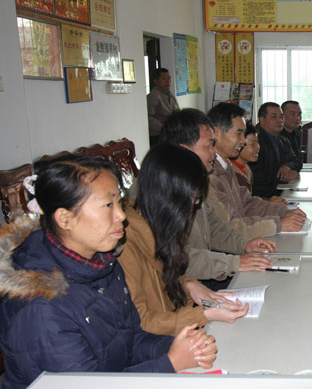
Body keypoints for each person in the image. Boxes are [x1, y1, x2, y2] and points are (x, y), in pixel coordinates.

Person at [0, 156, 216, 389]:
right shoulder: (40, 305)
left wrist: (179, 347)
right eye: (108, 205)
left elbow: (133, 339)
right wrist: (169, 363)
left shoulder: (103, 263)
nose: (121, 215)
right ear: (65, 219)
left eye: (119, 203)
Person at [119, 144, 249, 336]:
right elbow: (142, 321)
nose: (195, 204)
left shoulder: (154, 225)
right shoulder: (125, 242)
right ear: (166, 195)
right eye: (193, 197)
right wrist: (203, 315)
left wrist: (188, 285)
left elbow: (162, 281)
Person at [160, 109, 277, 289]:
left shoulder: (193, 180)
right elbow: (175, 257)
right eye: (208, 147)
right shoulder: (161, 188)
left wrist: (245, 244)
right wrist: (233, 263)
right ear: (184, 149)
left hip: (205, 274)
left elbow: (215, 228)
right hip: (182, 287)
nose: (214, 153)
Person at [207, 103, 306, 235]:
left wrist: (284, 212)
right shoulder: (210, 174)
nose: (243, 141)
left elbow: (247, 203)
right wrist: (278, 224)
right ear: (216, 132)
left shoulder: (227, 166)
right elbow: (227, 226)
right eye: (239, 133)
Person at [251, 102, 302, 198]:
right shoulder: (255, 141)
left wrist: (288, 167)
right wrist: (285, 176)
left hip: (282, 191)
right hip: (262, 196)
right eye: (274, 117)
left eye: (281, 117)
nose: (280, 120)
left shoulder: (284, 140)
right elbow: (258, 174)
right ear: (262, 120)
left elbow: (297, 160)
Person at [147, 68, 179, 146]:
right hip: (158, 136)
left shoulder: (169, 94)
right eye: (164, 79)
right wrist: (164, 128)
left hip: (171, 133)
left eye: (169, 78)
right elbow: (148, 118)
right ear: (155, 81)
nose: (168, 81)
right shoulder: (153, 96)